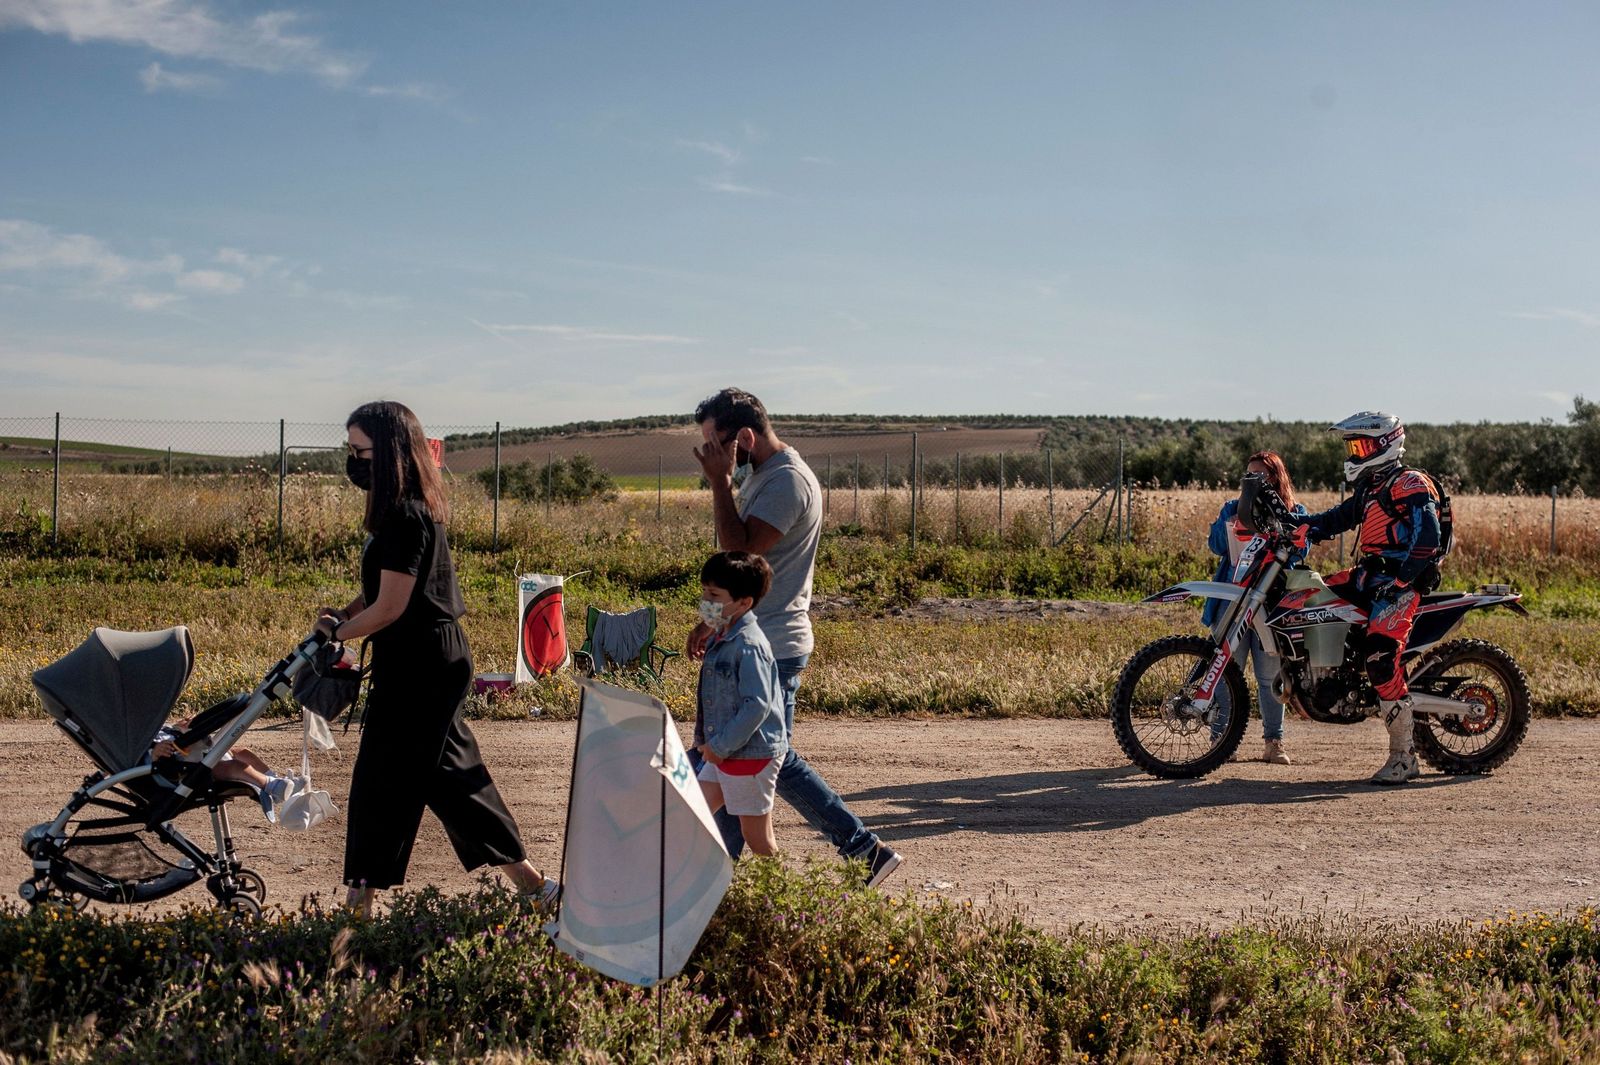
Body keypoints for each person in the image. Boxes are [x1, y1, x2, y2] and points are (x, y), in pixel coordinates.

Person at [317, 400, 556, 915]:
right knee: (450, 778)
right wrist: (343, 614)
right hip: (422, 661)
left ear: (390, 453)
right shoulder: (402, 510)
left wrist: (339, 633)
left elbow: (391, 607)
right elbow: (381, 593)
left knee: (383, 781)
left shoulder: (405, 515)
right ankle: (536, 887)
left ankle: (359, 905)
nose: (353, 461)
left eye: (360, 451)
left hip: (423, 664)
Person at [687, 387, 903, 888]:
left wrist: (719, 483)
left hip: (774, 644)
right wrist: (713, 619)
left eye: (716, 444)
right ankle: (719, 869)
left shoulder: (787, 483)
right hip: (754, 635)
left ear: (743, 436)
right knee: (749, 756)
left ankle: (863, 850)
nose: (710, 455)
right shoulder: (765, 475)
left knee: (766, 756)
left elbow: (738, 551)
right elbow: (741, 579)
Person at [1303, 411, 1444, 786]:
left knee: (1380, 657)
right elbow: (1337, 518)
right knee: (1311, 599)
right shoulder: (1370, 488)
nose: (1355, 453)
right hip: (1370, 575)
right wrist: (1294, 524)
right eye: (1352, 446)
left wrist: (1401, 580)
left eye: (1361, 445)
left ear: (1385, 445)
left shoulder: (1410, 483)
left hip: (1400, 582)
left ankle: (1403, 757)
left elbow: (1427, 537)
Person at [1202, 451, 1307, 765]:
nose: (1253, 481)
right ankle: (1221, 740)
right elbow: (1216, 546)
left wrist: (1283, 529)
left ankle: (1273, 742)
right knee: (1222, 671)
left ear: (1276, 477)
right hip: (1232, 602)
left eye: (1260, 475)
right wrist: (1231, 524)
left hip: (1271, 604)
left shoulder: (1294, 510)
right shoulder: (1232, 509)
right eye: (1248, 475)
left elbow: (1301, 551)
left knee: (1268, 676)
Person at [694, 551, 788, 857]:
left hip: (748, 754)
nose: (706, 600)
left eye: (714, 594)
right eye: (705, 591)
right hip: (725, 752)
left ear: (744, 602)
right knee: (691, 810)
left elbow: (757, 706)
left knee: (758, 839)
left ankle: (782, 900)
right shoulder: (723, 635)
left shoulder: (749, 645)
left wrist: (718, 746)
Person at [150, 720, 293, 822]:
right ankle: (271, 785)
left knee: (241, 752)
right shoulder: (144, 741)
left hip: (197, 757)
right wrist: (155, 754)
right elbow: (147, 759)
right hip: (185, 772)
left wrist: (180, 726)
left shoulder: (158, 727)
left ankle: (274, 780)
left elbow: (173, 731)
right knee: (234, 766)